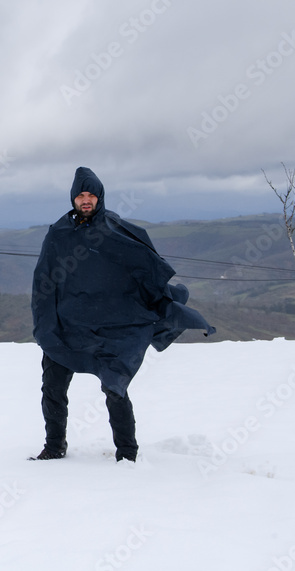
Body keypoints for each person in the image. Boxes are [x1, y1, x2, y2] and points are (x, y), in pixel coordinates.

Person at [30, 167, 215, 462]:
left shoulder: (114, 230)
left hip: (110, 328)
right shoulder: (58, 234)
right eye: (81, 195)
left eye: (91, 195)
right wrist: (44, 325)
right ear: (73, 199)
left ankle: (127, 453)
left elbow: (144, 265)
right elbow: (43, 281)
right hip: (66, 327)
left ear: (99, 197)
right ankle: (54, 446)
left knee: (115, 388)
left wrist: (160, 297)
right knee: (52, 387)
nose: (86, 200)